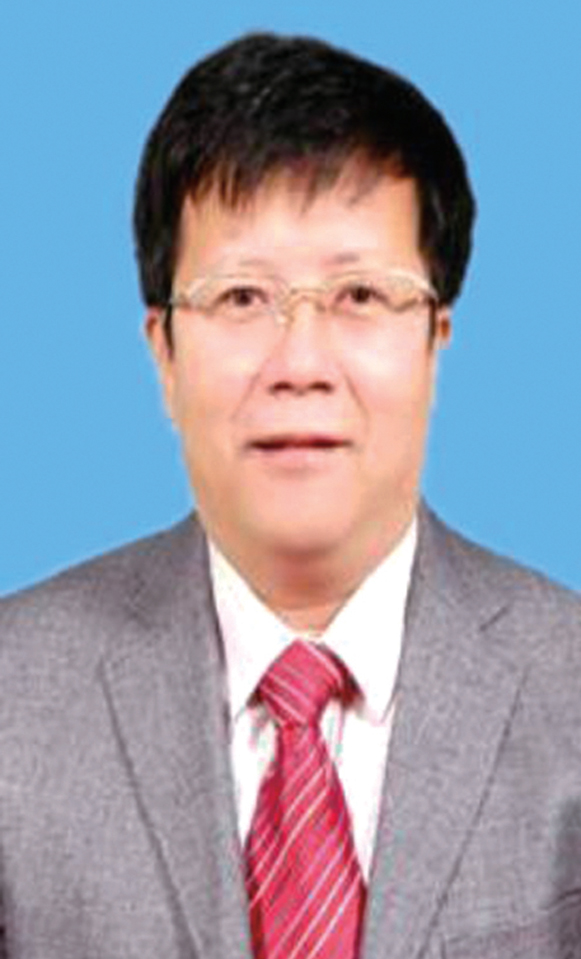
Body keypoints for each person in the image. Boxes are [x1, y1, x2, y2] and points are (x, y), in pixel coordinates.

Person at [0, 31, 580, 959]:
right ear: (163, 352)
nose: (300, 363)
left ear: (434, 340)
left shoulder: (568, 685)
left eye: (359, 295)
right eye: (240, 297)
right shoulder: (14, 697)